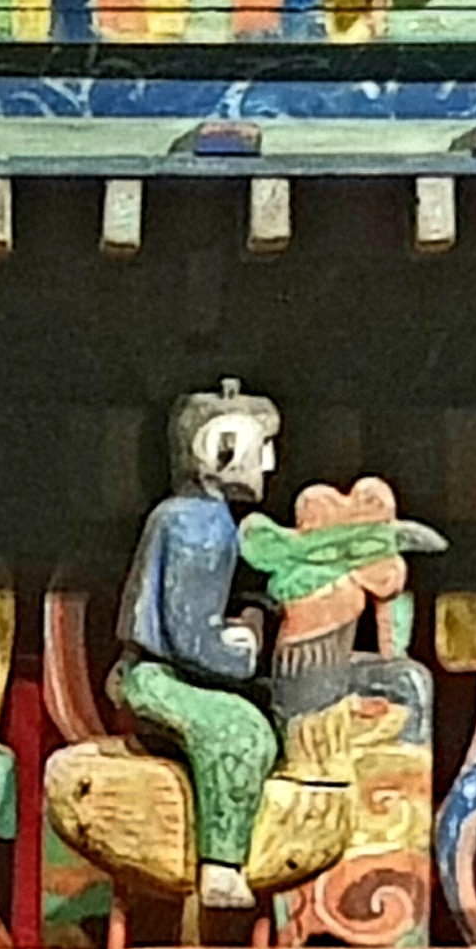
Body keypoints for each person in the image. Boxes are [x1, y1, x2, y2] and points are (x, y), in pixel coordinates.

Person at [112, 382, 283, 911]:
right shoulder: (197, 526)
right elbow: (190, 636)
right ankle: (221, 867)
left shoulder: (196, 517)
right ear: (220, 448)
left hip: (163, 670)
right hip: (159, 676)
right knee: (241, 733)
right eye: (261, 447)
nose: (269, 463)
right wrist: (241, 653)